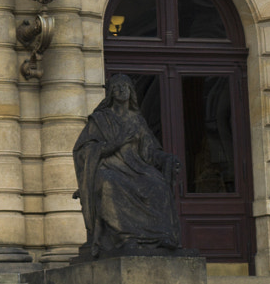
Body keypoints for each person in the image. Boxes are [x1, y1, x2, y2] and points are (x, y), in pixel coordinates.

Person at [72, 74, 187, 255]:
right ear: (110, 93)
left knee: (158, 185)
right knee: (109, 182)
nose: (121, 90)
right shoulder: (100, 119)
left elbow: (150, 152)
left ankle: (162, 236)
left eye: (125, 86)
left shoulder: (137, 120)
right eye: (117, 87)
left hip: (137, 168)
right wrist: (112, 146)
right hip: (111, 167)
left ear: (131, 92)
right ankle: (125, 238)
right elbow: (84, 150)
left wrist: (166, 159)